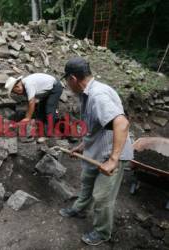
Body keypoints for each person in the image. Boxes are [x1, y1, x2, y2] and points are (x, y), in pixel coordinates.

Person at [59, 57, 133, 246]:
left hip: (110, 154)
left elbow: (121, 123)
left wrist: (113, 160)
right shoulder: (88, 93)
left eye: (67, 81)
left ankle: (102, 232)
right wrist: (82, 145)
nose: (68, 85)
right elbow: (98, 127)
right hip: (97, 150)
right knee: (86, 182)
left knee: (102, 196)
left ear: (73, 79)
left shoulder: (98, 96)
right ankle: (80, 208)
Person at [4, 73, 63, 142]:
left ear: (18, 84)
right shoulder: (24, 86)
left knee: (50, 109)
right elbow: (30, 103)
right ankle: (40, 128)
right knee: (40, 109)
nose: (17, 91)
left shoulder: (28, 84)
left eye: (16, 88)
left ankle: (48, 135)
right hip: (47, 90)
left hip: (55, 88)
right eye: (15, 91)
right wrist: (27, 117)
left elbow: (32, 102)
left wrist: (27, 118)